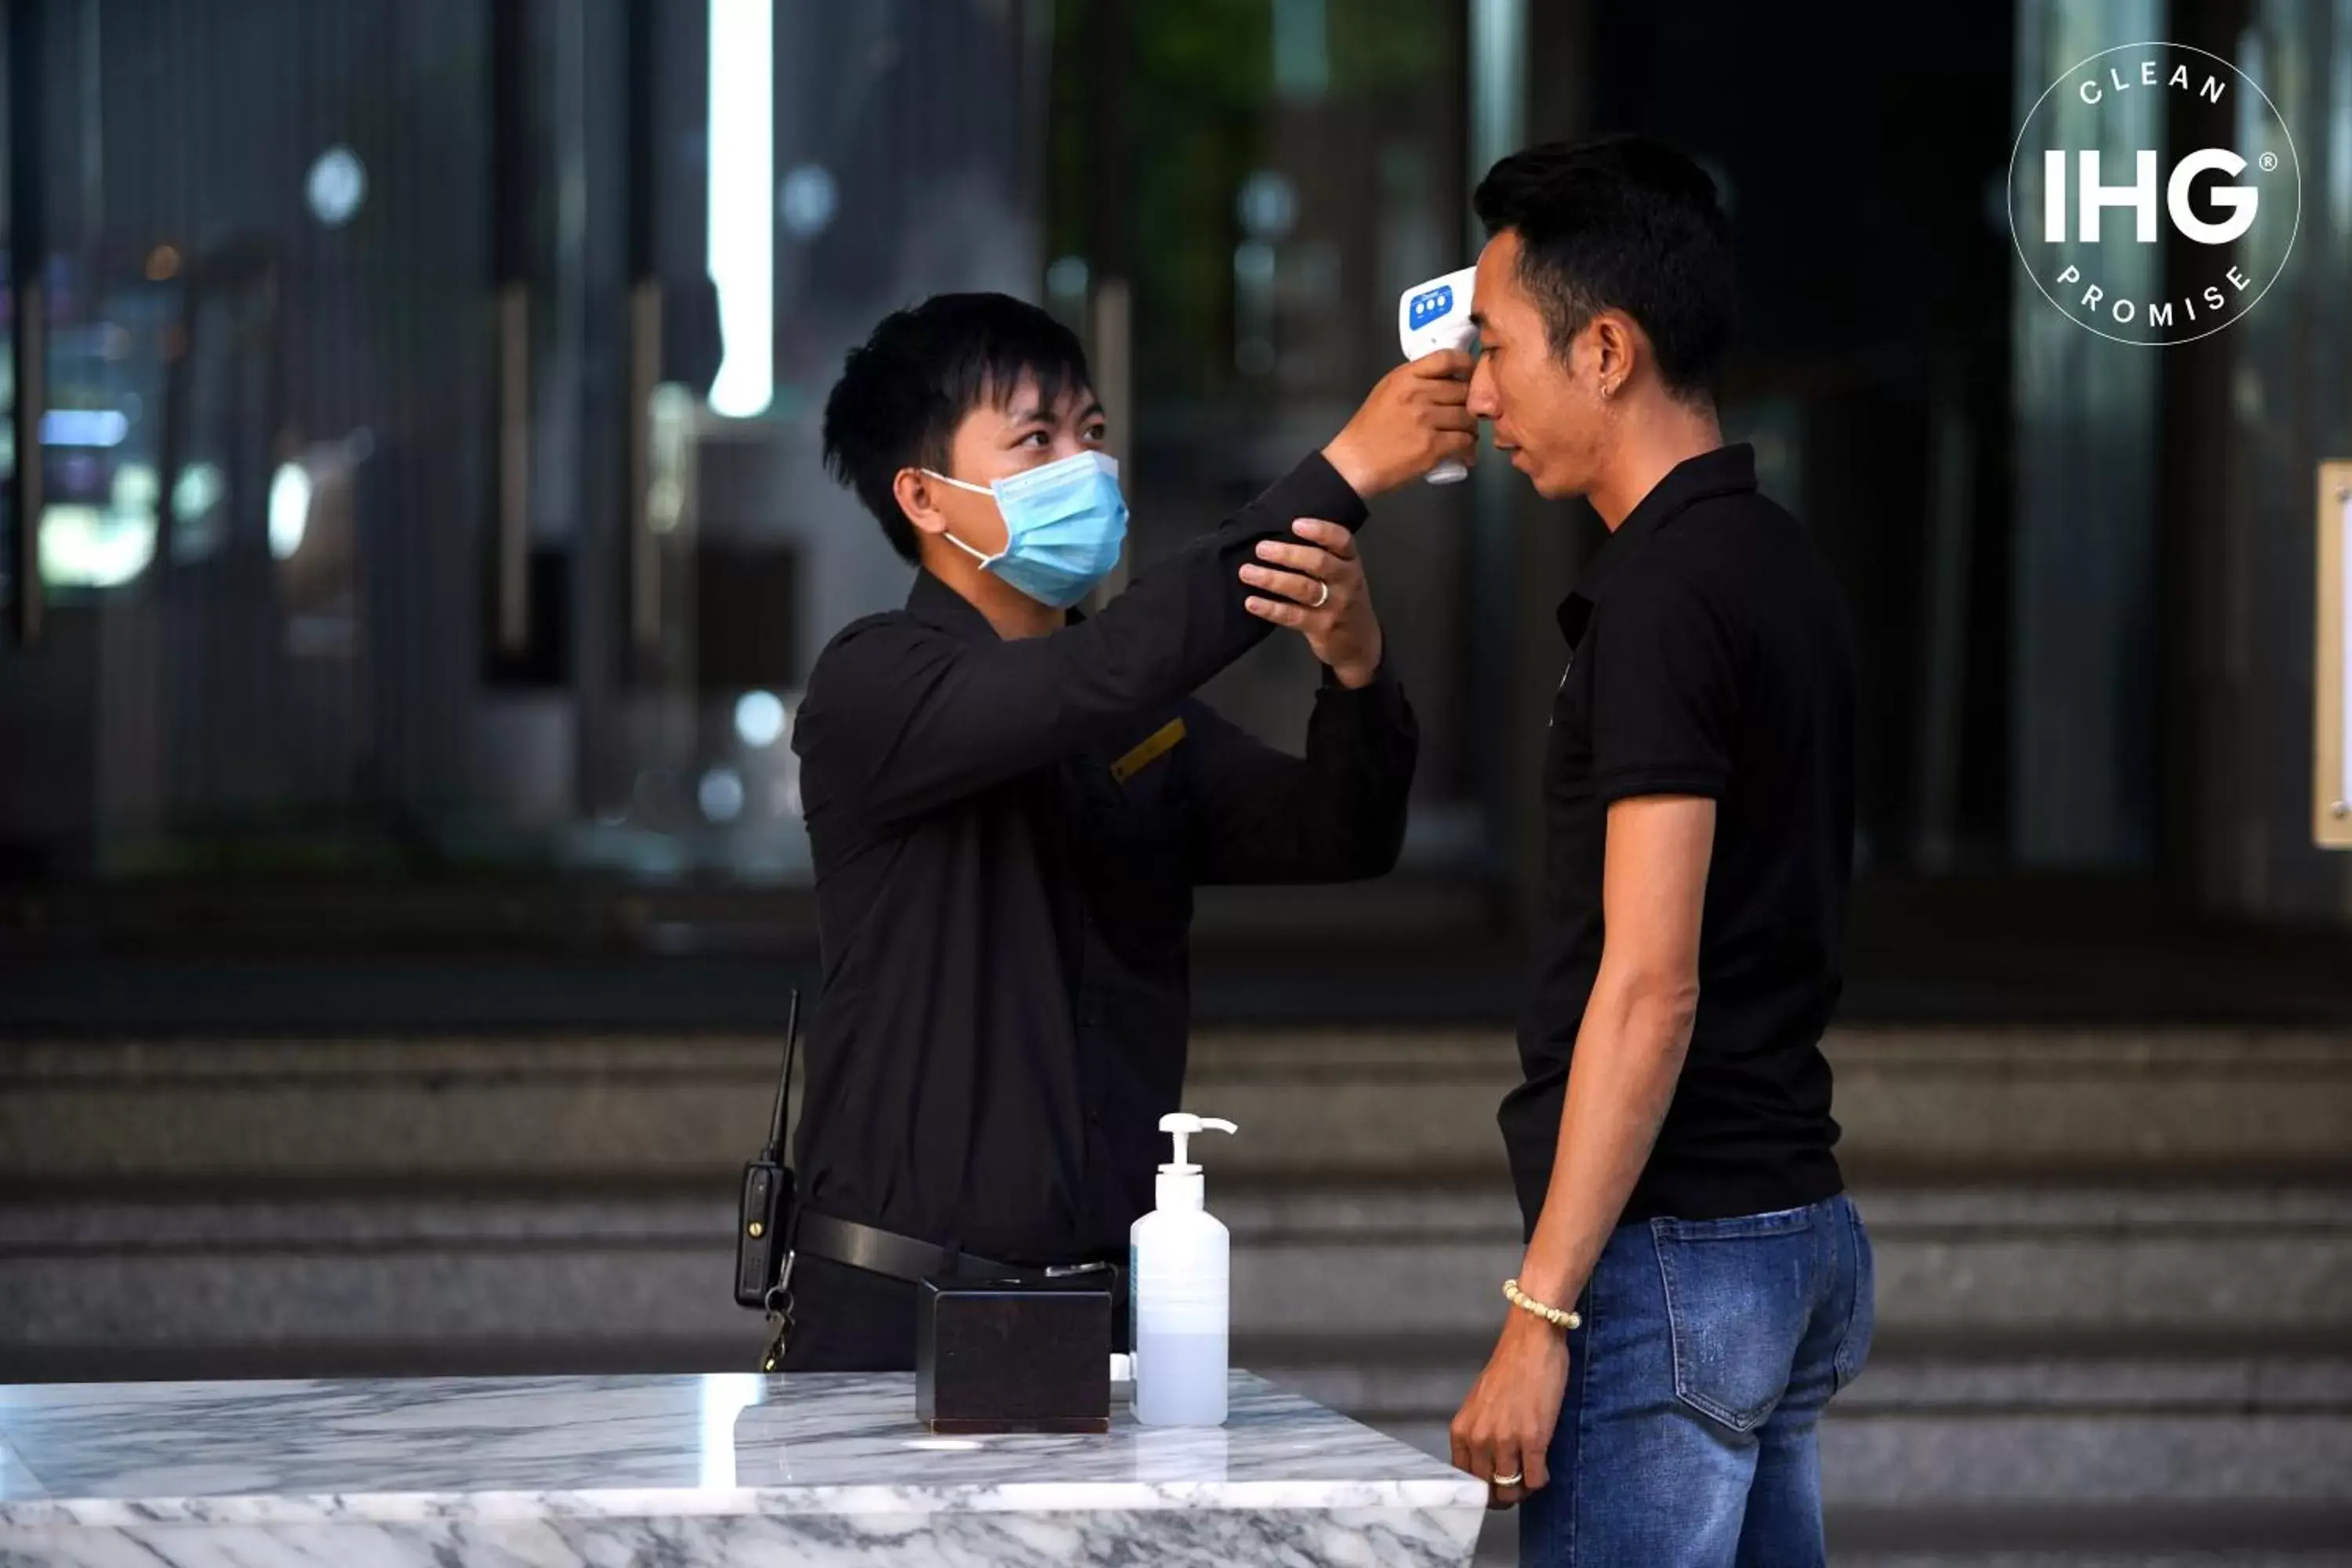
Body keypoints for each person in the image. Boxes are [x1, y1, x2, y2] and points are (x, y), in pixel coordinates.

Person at [782, 291, 1472, 1370]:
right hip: (894, 1304)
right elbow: (1098, 674)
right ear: (923, 494)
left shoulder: (1133, 718)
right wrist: (1343, 470)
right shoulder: (873, 682)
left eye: (1092, 434)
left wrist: (1355, 671)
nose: (1085, 467)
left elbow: (1336, 833)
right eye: (1037, 439)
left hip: (1100, 1309)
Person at [1442, 137, 1875, 1566]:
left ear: (1608, 349)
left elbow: (1651, 982)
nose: (1481, 392)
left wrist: (1540, 1314)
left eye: (1498, 347)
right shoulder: (1776, 562)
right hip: (1789, 1230)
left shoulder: (1664, 598)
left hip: (1678, 1259)